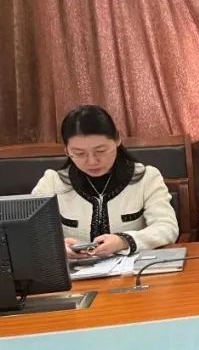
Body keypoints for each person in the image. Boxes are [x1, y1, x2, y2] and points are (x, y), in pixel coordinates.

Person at [32, 105, 179, 258]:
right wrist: (56, 247)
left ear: (117, 139)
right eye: (79, 153)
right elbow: (31, 234)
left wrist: (124, 241)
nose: (92, 161)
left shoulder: (147, 178)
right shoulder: (52, 183)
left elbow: (167, 228)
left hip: (134, 268)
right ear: (67, 151)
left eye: (100, 151)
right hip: (75, 270)